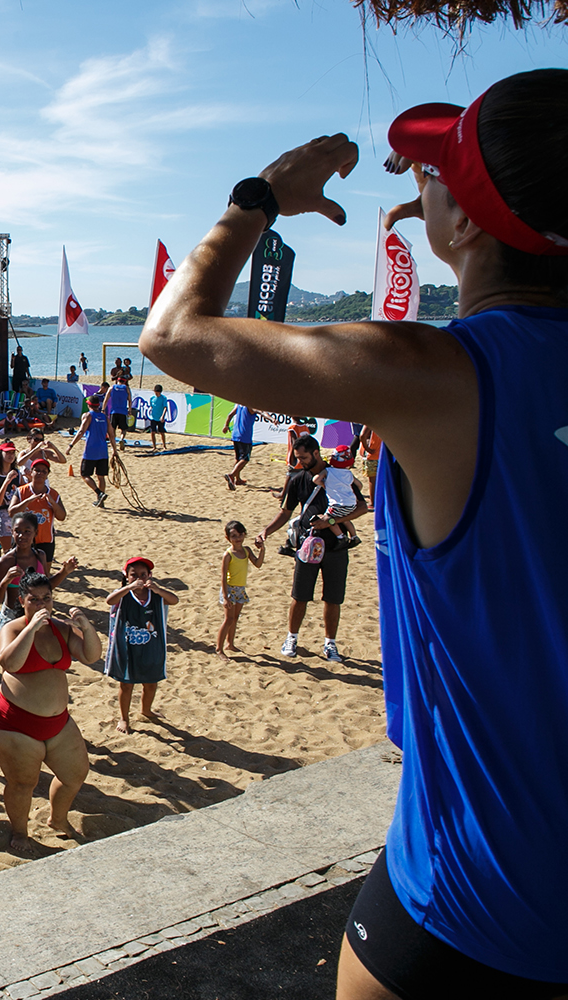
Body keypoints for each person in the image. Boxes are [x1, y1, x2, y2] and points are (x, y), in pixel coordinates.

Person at [141, 71, 568, 996]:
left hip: (485, 892)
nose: (420, 188)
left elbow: (175, 335)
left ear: (466, 223)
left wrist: (258, 200)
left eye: (437, 176)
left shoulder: (438, 375)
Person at [0, 574, 102, 850]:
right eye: (34, 599)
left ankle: (57, 819)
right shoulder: (13, 629)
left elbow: (92, 656)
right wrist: (31, 629)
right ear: (22, 601)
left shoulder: (61, 629)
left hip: (58, 721)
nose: (42, 604)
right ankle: (19, 832)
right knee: (22, 783)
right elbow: (9, 663)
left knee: (75, 774)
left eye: (46, 598)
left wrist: (87, 629)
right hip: (15, 722)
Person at [258, 435, 357, 663]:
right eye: (297, 457)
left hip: (336, 547)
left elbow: (360, 507)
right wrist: (266, 531)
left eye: (303, 457)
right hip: (307, 545)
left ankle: (330, 644)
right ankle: (291, 638)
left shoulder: (339, 475)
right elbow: (286, 512)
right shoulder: (298, 479)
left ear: (316, 453)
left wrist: (331, 522)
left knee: (333, 598)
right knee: (299, 595)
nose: (300, 461)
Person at [103, 556, 177, 733]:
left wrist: (158, 589)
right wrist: (127, 588)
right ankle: (124, 718)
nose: (139, 579)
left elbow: (174, 600)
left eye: (143, 575)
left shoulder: (156, 595)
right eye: (133, 575)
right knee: (126, 684)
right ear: (126, 576)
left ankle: (146, 710)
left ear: (149, 575)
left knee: (151, 683)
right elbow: (109, 600)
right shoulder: (124, 594)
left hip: (151, 648)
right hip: (127, 648)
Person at [217, 521, 264, 659]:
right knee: (228, 619)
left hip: (240, 589)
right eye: (234, 536)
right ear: (228, 538)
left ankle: (230, 644)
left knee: (235, 618)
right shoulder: (228, 555)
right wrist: (225, 597)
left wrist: (262, 550)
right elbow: (223, 577)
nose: (238, 538)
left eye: (240, 534)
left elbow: (258, 564)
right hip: (230, 590)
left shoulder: (246, 550)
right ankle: (219, 649)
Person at [64, 395, 113, 507]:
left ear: (89, 405)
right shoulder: (105, 417)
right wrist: (114, 450)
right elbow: (111, 434)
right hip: (103, 450)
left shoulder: (88, 416)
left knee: (84, 474)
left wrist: (71, 445)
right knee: (101, 476)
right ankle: (101, 502)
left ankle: (99, 494)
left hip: (91, 450)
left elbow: (81, 432)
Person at [311, 445, 362, 546]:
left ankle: (341, 537)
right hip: (351, 503)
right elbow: (359, 485)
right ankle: (354, 536)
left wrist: (324, 484)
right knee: (346, 519)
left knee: (328, 519)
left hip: (337, 504)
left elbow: (315, 480)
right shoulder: (348, 473)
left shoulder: (329, 471)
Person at [222, 403, 255, 489]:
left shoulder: (239, 404)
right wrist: (271, 418)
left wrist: (226, 426)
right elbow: (261, 412)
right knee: (245, 459)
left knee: (238, 458)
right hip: (244, 437)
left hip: (235, 435)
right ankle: (232, 475)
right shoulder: (250, 406)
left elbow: (230, 415)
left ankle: (238, 479)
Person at [146, 384, 169, 452]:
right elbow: (151, 407)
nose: (156, 393)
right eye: (155, 391)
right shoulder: (152, 398)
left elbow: (165, 408)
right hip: (153, 417)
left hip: (160, 418)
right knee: (152, 432)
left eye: (157, 392)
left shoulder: (163, 398)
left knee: (161, 432)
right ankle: (154, 446)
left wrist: (162, 416)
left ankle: (164, 446)